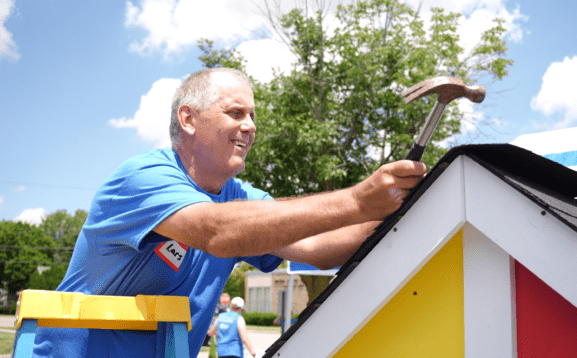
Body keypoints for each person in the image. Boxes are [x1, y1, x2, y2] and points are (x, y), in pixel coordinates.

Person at [32, 67, 426, 358]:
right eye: (236, 113)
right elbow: (214, 231)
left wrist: (402, 205)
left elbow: (319, 246)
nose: (250, 126)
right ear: (188, 119)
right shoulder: (143, 177)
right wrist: (358, 200)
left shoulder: (239, 197)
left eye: (253, 116)